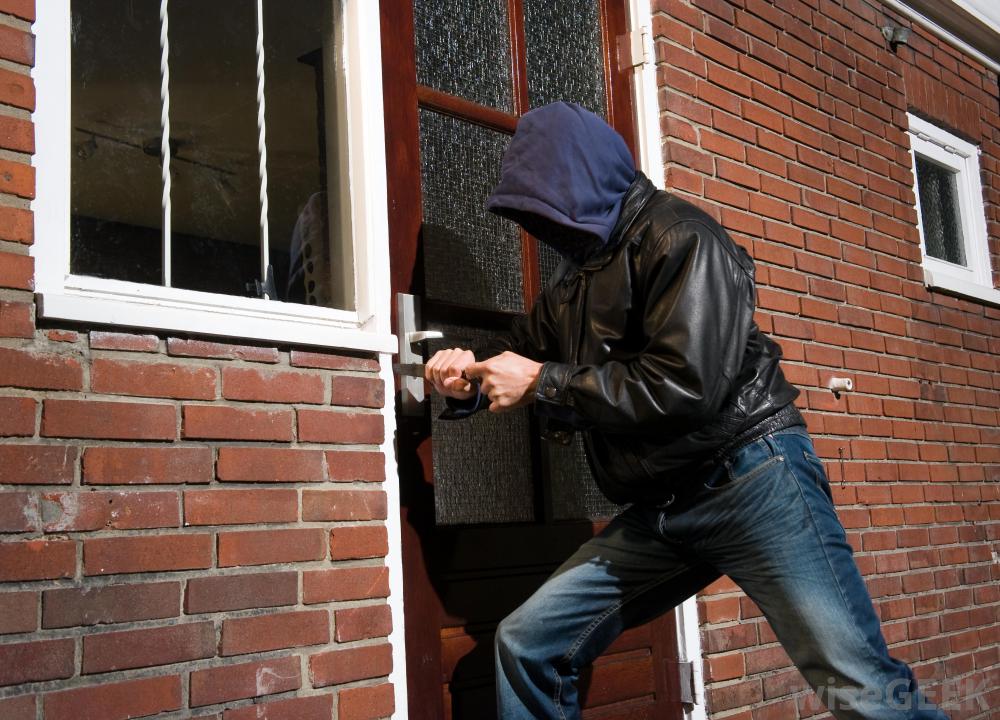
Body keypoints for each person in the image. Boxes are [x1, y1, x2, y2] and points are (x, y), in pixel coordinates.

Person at [424, 101, 949, 720]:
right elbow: (521, 357)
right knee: (527, 642)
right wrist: (467, 379)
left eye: (548, 209)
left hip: (752, 480)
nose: (544, 231)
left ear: (585, 184)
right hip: (662, 511)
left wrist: (543, 382)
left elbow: (684, 386)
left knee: (857, 683)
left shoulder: (682, 238)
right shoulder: (570, 285)